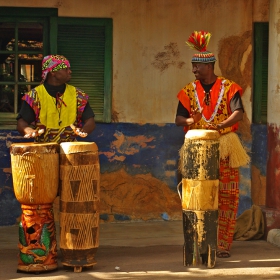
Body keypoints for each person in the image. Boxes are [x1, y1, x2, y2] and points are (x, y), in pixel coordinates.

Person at [175, 31, 250, 258]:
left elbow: (238, 114)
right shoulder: (188, 91)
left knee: (227, 194)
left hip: (226, 143)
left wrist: (219, 127)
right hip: (198, 147)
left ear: (209, 66)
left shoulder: (230, 88)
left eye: (197, 66)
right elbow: (179, 119)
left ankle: (223, 244)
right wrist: (192, 121)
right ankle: (200, 240)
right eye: (193, 66)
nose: (194, 70)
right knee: (199, 195)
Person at [17, 54, 96, 143]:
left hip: (70, 150)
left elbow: (90, 121)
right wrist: (30, 131)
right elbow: (21, 124)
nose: (70, 71)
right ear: (53, 72)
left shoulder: (78, 95)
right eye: (66, 69)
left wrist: (83, 130)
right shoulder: (35, 96)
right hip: (43, 150)